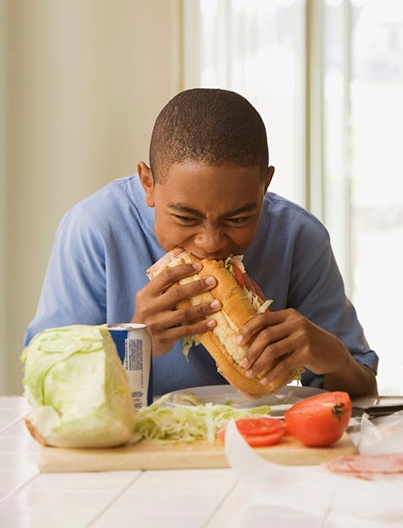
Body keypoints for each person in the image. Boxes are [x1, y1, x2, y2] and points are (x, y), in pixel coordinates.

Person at [25, 88, 378, 397]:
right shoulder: (95, 229)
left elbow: (364, 390)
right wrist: (131, 345)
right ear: (148, 183)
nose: (210, 243)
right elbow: (42, 382)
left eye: (237, 219)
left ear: (265, 185)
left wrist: (334, 357)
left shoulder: (300, 238)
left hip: (262, 445)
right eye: (185, 218)